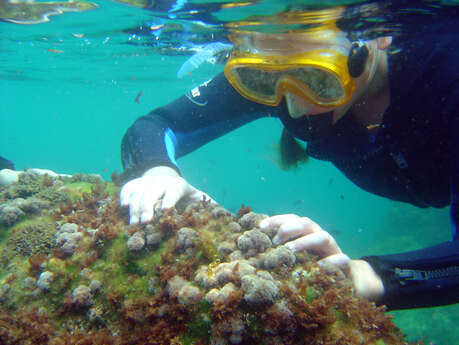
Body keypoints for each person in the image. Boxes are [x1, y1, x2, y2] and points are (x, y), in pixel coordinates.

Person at [119, 11, 459, 311]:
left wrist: (368, 275)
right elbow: (156, 125)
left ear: (379, 34)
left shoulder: (448, 73)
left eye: (315, 78)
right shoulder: (280, 62)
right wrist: (156, 171)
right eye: (266, 78)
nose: (295, 105)